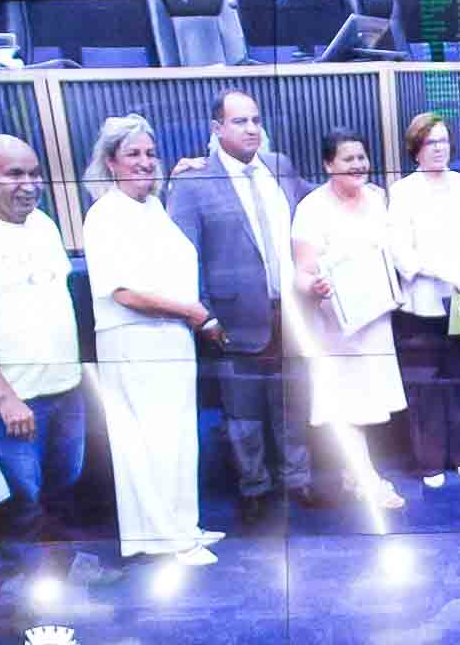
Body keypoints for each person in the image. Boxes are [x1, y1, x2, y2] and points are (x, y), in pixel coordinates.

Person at [76, 115, 213, 566]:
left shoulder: (152, 207)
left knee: (176, 438)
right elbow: (125, 292)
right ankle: (163, 539)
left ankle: (183, 526)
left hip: (171, 338)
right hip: (134, 341)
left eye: (150, 153)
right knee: (149, 442)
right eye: (133, 153)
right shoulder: (104, 216)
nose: (144, 162)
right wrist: (191, 312)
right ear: (111, 161)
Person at [173, 89, 304, 528]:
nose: (251, 129)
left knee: (290, 403)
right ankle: (254, 488)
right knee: (242, 415)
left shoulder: (280, 167)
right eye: (239, 122)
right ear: (216, 130)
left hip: (290, 313)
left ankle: (295, 479)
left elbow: (314, 212)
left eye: (255, 120)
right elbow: (182, 256)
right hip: (231, 321)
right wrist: (204, 315)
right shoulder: (192, 183)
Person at [0, 131, 90, 542]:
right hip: (14, 404)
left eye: (35, 174)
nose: (30, 185)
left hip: (66, 392)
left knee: (63, 491)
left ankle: (69, 579)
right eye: (14, 174)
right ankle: (34, 599)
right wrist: (4, 396)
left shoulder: (43, 224)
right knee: (25, 505)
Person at [289, 131, 409, 521]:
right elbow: (301, 275)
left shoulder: (377, 198)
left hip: (376, 319)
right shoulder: (311, 209)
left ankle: (353, 473)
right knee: (346, 404)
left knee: (368, 401)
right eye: (348, 159)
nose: (358, 165)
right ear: (328, 165)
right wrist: (316, 286)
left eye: (361, 156)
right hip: (335, 326)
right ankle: (365, 479)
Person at [387, 109, 460, 484]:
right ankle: (430, 460)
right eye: (431, 142)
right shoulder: (402, 192)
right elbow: (401, 252)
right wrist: (443, 272)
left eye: (444, 141)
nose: (439, 149)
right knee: (425, 385)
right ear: (416, 148)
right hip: (422, 303)